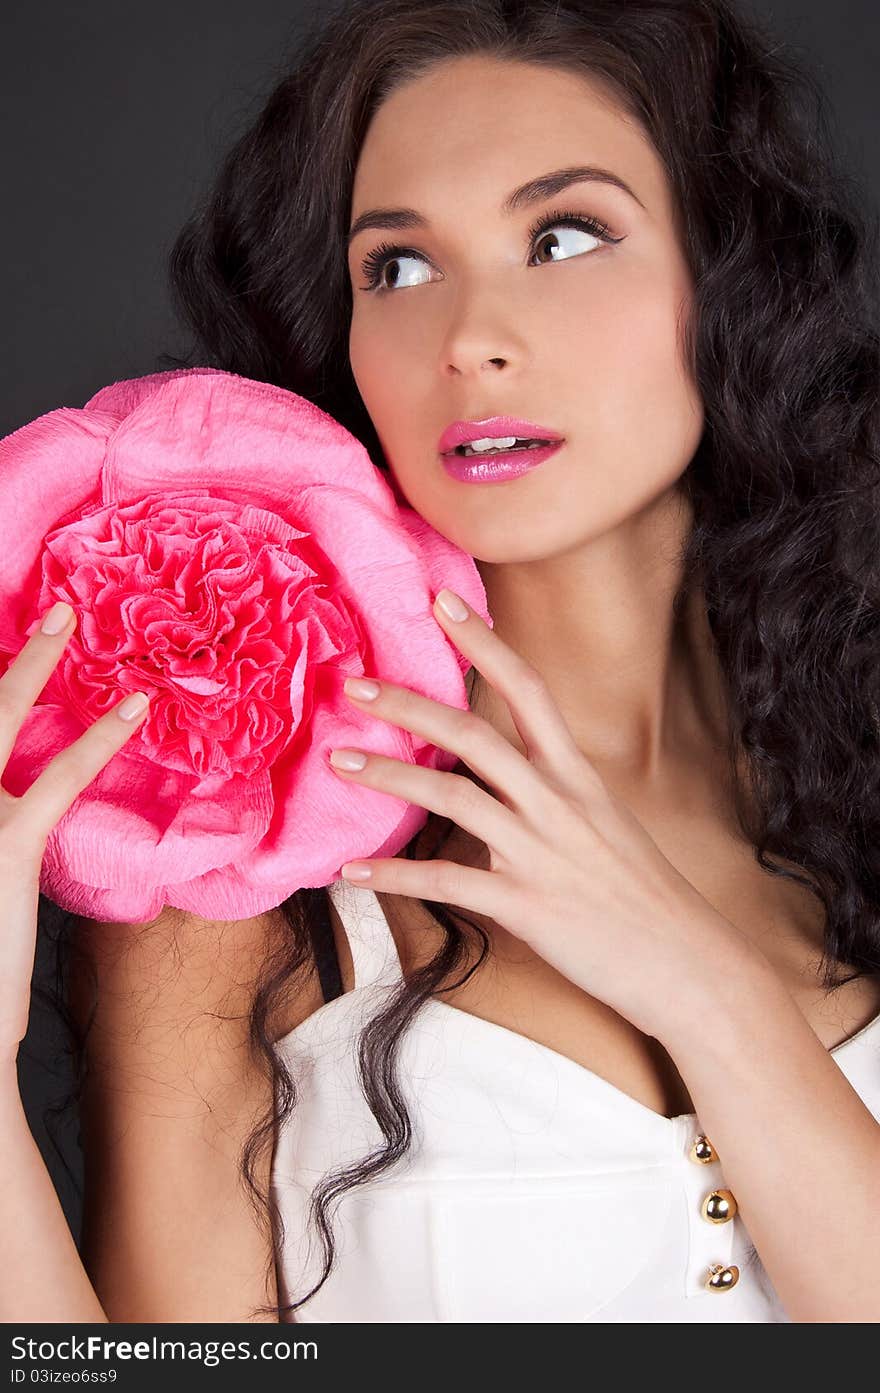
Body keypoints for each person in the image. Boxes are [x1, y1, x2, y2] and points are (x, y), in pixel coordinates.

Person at [5, 0, 880, 1324]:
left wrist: (701, 983)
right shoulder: (239, 870)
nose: (468, 335)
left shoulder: (859, 779)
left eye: (564, 236)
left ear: (733, 276)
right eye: (397, 269)